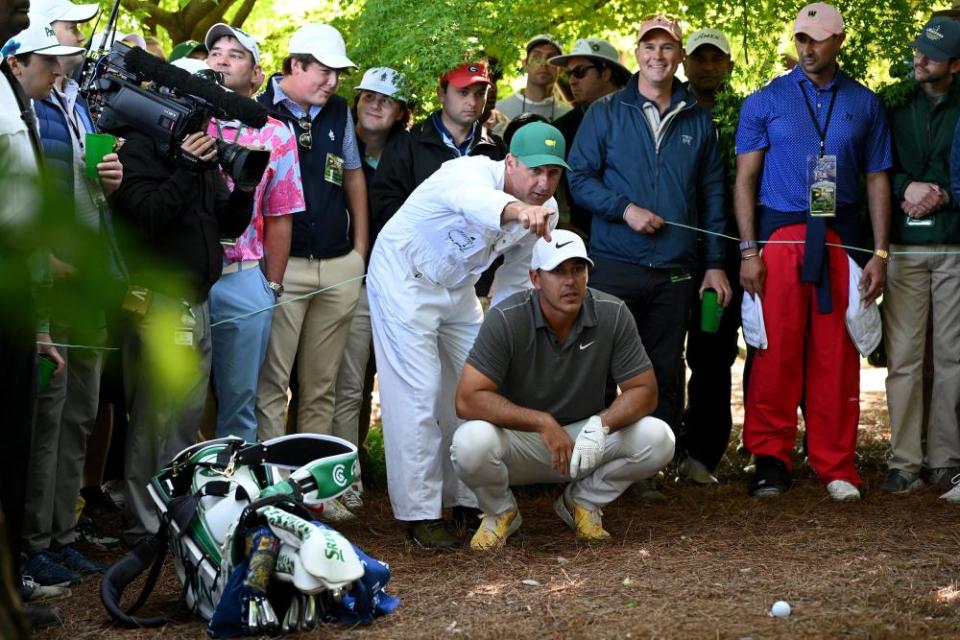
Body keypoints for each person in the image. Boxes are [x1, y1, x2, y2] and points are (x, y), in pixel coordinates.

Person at [367, 122, 565, 548]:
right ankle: (420, 513)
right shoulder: (469, 173)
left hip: (459, 287)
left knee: (475, 387)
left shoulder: (545, 212)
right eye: (534, 170)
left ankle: (466, 498)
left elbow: (516, 280)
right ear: (510, 161)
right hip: (404, 275)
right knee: (417, 392)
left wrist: (507, 333)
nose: (543, 183)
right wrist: (517, 211)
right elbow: (478, 203)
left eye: (553, 174)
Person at [735, 2, 892, 501]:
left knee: (836, 356)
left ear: (838, 41)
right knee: (774, 353)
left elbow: (876, 179)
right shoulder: (765, 101)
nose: (807, 48)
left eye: (818, 39)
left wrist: (881, 254)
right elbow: (745, 180)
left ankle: (836, 463)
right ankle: (771, 459)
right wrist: (747, 250)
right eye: (801, 39)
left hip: (840, 239)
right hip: (779, 236)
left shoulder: (865, 103)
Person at [567, 16, 730, 465]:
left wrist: (715, 263)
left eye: (667, 48)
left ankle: (648, 468)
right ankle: (589, 462)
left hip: (675, 268)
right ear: (636, 53)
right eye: (649, 47)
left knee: (663, 370)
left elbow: (713, 196)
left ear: (679, 56)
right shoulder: (605, 113)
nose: (657, 56)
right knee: (597, 366)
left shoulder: (699, 120)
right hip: (615, 262)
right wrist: (625, 209)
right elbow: (578, 179)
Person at [450, 231, 675, 550]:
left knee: (659, 438)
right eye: (557, 271)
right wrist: (542, 422)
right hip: (521, 440)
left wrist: (601, 425)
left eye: (577, 269)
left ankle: (582, 501)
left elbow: (645, 391)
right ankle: (501, 512)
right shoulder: (506, 317)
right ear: (535, 278)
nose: (570, 281)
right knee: (470, 442)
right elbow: (468, 398)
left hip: (585, 438)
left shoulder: (612, 312)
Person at [109, 69, 256, 543]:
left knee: (185, 416)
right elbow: (147, 216)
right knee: (153, 417)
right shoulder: (135, 146)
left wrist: (246, 186)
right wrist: (186, 168)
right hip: (157, 303)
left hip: (197, 303)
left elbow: (226, 223)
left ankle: (173, 515)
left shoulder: (197, 151)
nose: (204, 119)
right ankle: (144, 523)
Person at [20, 0, 125, 588]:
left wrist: (109, 181)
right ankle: (35, 543)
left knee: (81, 413)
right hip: (50, 281)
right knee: (49, 416)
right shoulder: (28, 104)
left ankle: (64, 534)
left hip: (90, 277)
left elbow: (89, 192)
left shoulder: (74, 101)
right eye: (70, 28)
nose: (79, 40)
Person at [255, 23, 368, 440]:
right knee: (271, 385)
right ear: (296, 64)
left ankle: (313, 495)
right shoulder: (258, 107)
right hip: (282, 268)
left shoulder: (338, 110)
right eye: (324, 70)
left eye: (338, 72)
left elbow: (352, 173)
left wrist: (359, 249)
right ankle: (272, 489)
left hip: (338, 265)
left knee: (322, 387)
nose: (333, 81)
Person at [0, 5, 74, 631]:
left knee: (16, 445)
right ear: (15, 60)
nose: (55, 73)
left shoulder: (29, 110)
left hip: (24, 305)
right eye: (46, 62)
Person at [202, 23, 304, 444]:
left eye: (236, 54)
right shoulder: (185, 117)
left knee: (239, 401)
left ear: (258, 75)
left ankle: (231, 498)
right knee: (177, 400)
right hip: (184, 277)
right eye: (216, 52)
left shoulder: (276, 133)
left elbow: (280, 215)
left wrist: (271, 287)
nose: (222, 58)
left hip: (241, 277)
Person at [882, 17, 960, 495]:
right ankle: (905, 461)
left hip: (954, 245)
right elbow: (876, 166)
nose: (920, 59)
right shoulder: (893, 104)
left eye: (932, 55)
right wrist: (903, 186)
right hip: (905, 248)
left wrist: (944, 195)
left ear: (955, 64)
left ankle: (946, 459)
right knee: (904, 358)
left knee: (953, 358)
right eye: (918, 51)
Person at [331, 66, 410, 514]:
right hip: (352, 277)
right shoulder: (336, 142)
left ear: (401, 112)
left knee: (398, 382)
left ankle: (394, 469)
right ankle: (347, 474)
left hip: (400, 283)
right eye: (368, 97)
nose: (376, 104)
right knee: (348, 383)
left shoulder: (411, 151)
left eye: (387, 99)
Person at [676, 27, 743, 484]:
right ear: (685, 63)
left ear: (729, 66)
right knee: (659, 355)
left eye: (716, 58)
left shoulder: (745, 114)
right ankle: (657, 451)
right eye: (700, 58)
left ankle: (702, 454)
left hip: (726, 256)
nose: (707, 66)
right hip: (671, 252)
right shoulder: (667, 108)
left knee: (713, 354)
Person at [370, 61, 505, 229]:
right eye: (463, 92)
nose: (472, 102)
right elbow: (384, 205)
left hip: (481, 252)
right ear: (441, 93)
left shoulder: (497, 148)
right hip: (419, 251)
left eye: (480, 93)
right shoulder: (407, 143)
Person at [547, 38, 630, 237]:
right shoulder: (561, 128)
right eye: (569, 74)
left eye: (580, 72)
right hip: (582, 239)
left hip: (637, 232)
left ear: (607, 72)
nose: (572, 81)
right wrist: (560, 221)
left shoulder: (640, 117)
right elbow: (548, 178)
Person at [495, 34, 572, 129]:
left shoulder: (569, 114)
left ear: (561, 69)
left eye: (551, 58)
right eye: (536, 57)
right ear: (525, 64)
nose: (543, 64)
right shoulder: (499, 110)